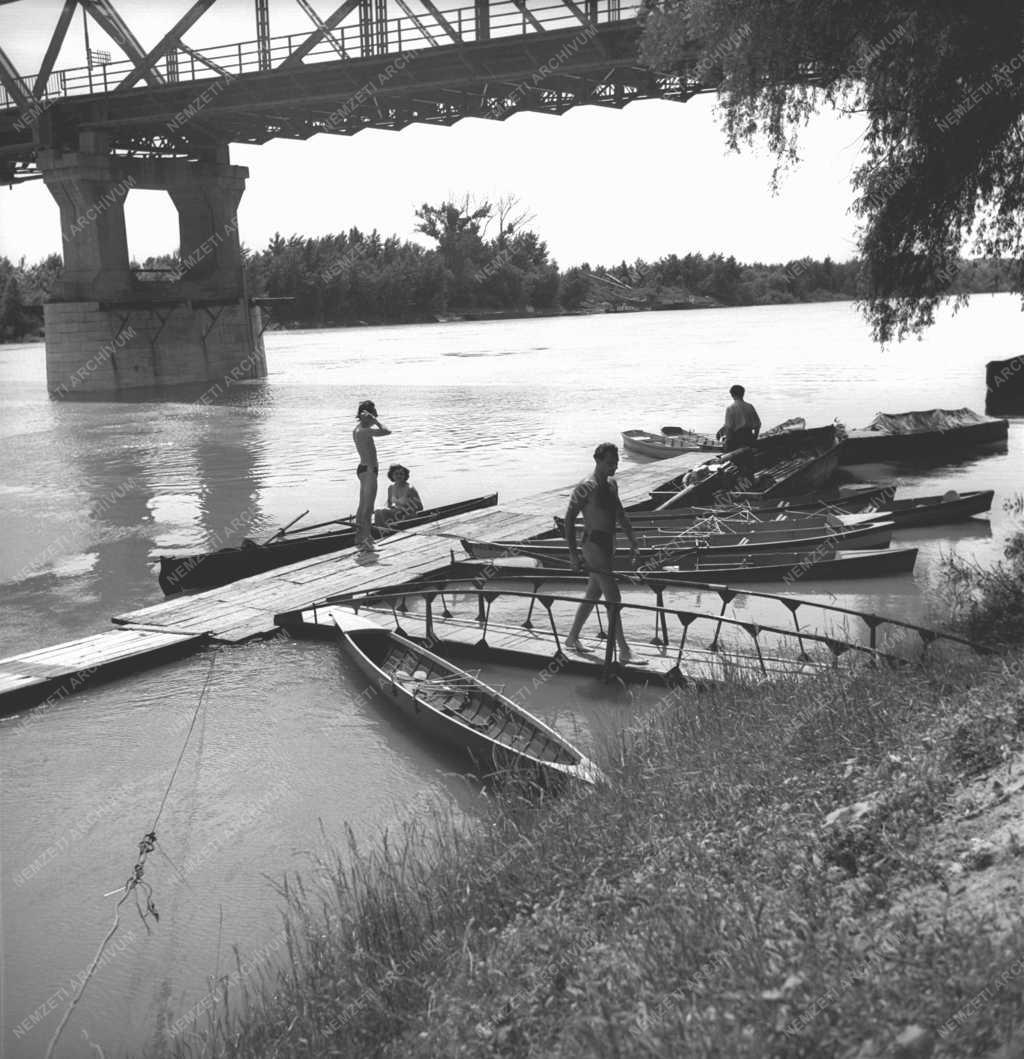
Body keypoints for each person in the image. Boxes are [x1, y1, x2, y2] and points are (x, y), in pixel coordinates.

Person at [563, 442, 646, 665]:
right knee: (614, 596)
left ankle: (572, 638)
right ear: (597, 460)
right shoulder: (585, 487)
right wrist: (573, 554)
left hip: (609, 543)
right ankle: (624, 650)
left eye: (616, 463)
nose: (614, 467)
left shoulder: (612, 484)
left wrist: (633, 541)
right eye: (610, 463)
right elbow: (569, 520)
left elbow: (620, 514)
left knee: (593, 594)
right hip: (592, 545)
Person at [352, 399, 391, 549]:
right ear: (366, 415)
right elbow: (387, 431)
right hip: (369, 471)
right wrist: (376, 421)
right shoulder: (364, 430)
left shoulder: (357, 429)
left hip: (363, 469)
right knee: (368, 508)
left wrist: (370, 419)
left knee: (362, 505)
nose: (375, 415)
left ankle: (359, 537)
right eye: (372, 414)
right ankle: (367, 539)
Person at [717, 384, 761, 451]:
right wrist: (754, 438)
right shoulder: (750, 406)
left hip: (736, 439)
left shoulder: (730, 408)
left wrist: (727, 444)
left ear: (732, 395)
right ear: (743, 394)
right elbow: (758, 425)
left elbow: (729, 428)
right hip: (749, 437)